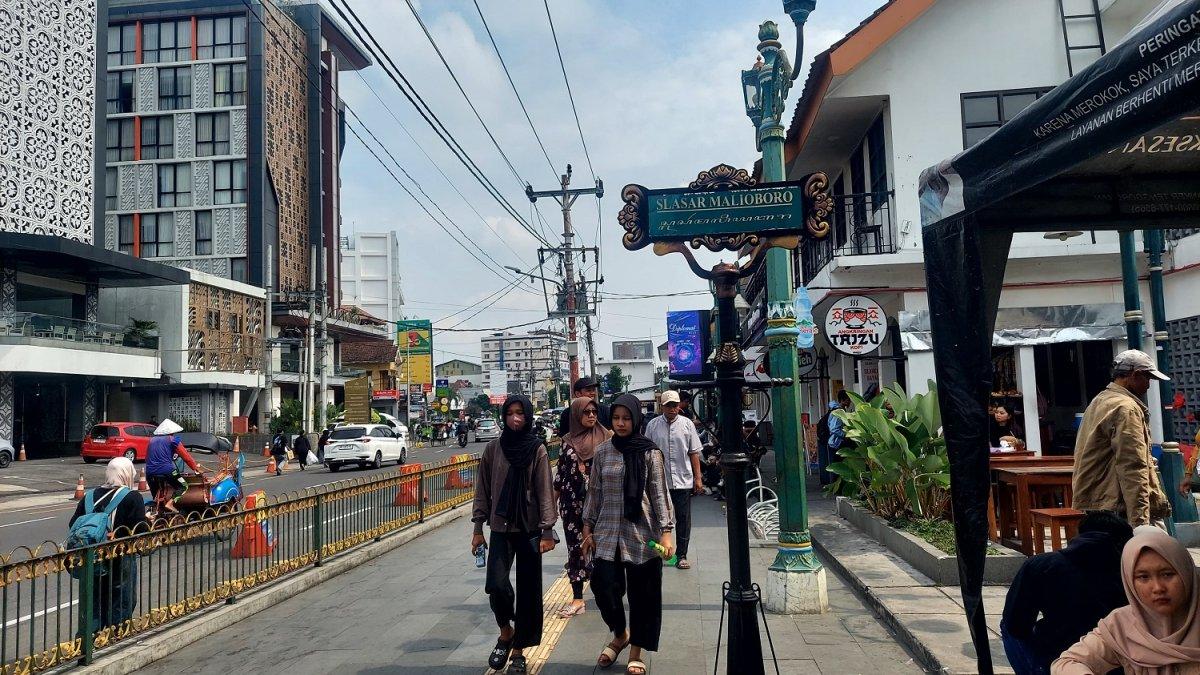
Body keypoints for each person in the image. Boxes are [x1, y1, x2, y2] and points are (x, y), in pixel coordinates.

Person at [582, 394, 674, 675]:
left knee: (642, 596)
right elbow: (594, 491)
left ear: (636, 420)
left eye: (627, 418)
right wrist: (587, 526)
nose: (621, 424)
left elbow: (659, 494)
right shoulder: (602, 452)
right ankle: (620, 634)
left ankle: (636, 652)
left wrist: (667, 532)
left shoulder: (650, 452)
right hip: (607, 532)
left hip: (641, 534)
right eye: (617, 418)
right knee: (603, 587)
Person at [470, 395, 557, 674]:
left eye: (520, 413)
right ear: (504, 416)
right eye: (510, 413)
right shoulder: (494, 449)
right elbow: (482, 490)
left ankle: (519, 649)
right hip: (500, 527)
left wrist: (547, 530)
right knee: (495, 584)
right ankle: (505, 631)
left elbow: (545, 491)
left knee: (529, 590)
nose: (515, 418)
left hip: (530, 528)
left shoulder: (537, 449)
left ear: (528, 416)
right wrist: (477, 529)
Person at [1001, 511, 1134, 674]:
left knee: (1008, 625)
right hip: (1119, 661)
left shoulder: (1041, 565)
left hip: (1054, 659)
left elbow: (1016, 626)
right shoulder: (1134, 571)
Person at [1052, 529, 1200, 674]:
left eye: (1167, 574)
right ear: (1129, 581)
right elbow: (1066, 663)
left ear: (1186, 572)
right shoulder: (1121, 625)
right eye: (1143, 577)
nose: (1158, 587)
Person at [1073, 350, 1173, 527]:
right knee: (1157, 551)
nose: (1148, 386)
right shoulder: (1126, 408)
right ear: (1135, 376)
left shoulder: (1100, 400)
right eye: (1147, 379)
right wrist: (1140, 522)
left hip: (1100, 502)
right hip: (1120, 506)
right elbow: (1133, 466)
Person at [70, 457, 147, 630]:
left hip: (92, 556)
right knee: (121, 597)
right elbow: (139, 529)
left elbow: (73, 524)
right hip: (120, 556)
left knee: (95, 598)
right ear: (127, 474)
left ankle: (90, 639)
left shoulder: (89, 497)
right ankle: (116, 634)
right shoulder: (132, 497)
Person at [553, 396, 611, 618]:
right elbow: (560, 476)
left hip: (600, 506)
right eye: (586, 413)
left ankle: (605, 594)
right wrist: (551, 505)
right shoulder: (567, 441)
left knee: (601, 549)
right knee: (576, 550)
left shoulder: (607, 439)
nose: (591, 416)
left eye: (594, 412)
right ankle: (578, 599)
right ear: (577, 415)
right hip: (572, 506)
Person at [644, 390, 703, 570]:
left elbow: (693, 453)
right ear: (662, 406)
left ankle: (682, 555)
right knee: (656, 518)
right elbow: (645, 453)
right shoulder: (653, 425)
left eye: (675, 405)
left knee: (683, 519)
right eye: (669, 405)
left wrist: (698, 478)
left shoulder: (687, 425)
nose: (672, 409)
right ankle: (661, 551)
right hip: (658, 482)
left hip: (682, 481)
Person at [145, 419, 202, 513]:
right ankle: (170, 503)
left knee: (156, 495)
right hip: (167, 471)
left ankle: (156, 509)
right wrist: (195, 468)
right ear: (171, 432)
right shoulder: (173, 440)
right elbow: (186, 457)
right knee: (183, 486)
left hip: (150, 473)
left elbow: (147, 458)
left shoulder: (152, 440)